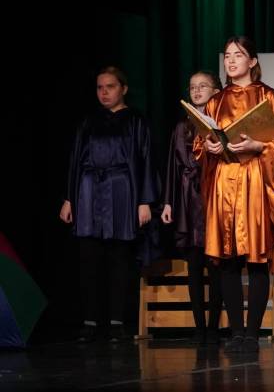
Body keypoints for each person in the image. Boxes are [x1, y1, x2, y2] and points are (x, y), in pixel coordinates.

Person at [197, 36, 274, 353]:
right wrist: (208, 146)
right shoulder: (216, 101)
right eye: (227, 55)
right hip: (224, 181)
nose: (231, 60)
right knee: (227, 260)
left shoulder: (270, 97)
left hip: (254, 181)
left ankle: (252, 333)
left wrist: (258, 145)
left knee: (256, 260)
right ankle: (236, 333)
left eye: (238, 55)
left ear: (252, 61)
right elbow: (201, 143)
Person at [60, 66, 159, 342]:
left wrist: (145, 200)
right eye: (100, 88)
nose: (104, 92)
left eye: (110, 87)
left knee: (119, 256)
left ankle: (117, 322)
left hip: (121, 189)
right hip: (89, 190)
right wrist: (69, 198)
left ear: (123, 89)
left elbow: (147, 160)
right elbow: (76, 159)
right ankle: (91, 321)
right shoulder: (89, 121)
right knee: (89, 256)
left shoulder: (136, 120)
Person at [162, 70, 224, 344]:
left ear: (216, 91)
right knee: (194, 266)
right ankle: (199, 327)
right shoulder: (181, 127)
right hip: (188, 200)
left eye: (203, 86)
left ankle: (214, 327)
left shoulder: (221, 123)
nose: (197, 91)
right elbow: (172, 167)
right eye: (193, 87)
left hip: (213, 198)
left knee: (217, 266)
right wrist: (168, 202)